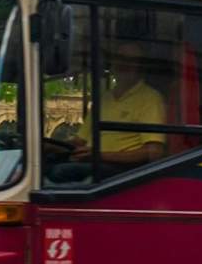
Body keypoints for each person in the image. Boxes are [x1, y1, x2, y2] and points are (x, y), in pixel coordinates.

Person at [57, 41, 167, 181]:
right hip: (93, 164)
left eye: (131, 60)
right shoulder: (104, 98)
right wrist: (52, 147)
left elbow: (154, 152)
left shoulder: (150, 99)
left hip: (121, 173)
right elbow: (79, 142)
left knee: (58, 173)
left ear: (140, 67)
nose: (124, 65)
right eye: (120, 59)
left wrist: (99, 155)